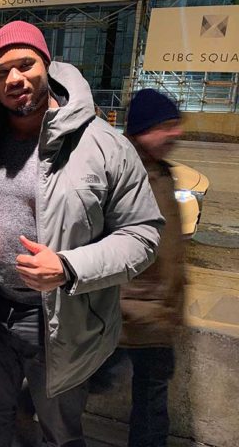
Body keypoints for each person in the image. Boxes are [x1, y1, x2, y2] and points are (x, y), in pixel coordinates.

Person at [0, 20, 165, 446]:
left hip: (57, 320)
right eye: (0, 72)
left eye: (25, 64)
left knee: (59, 431)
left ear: (46, 64)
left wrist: (68, 266)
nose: (14, 79)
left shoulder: (104, 145)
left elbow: (144, 235)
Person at [118, 89, 186, 446]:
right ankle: (25, 406)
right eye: (166, 126)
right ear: (142, 129)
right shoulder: (124, 172)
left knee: (152, 405)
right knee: (91, 381)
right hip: (129, 316)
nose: (175, 134)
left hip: (156, 314)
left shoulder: (161, 171)